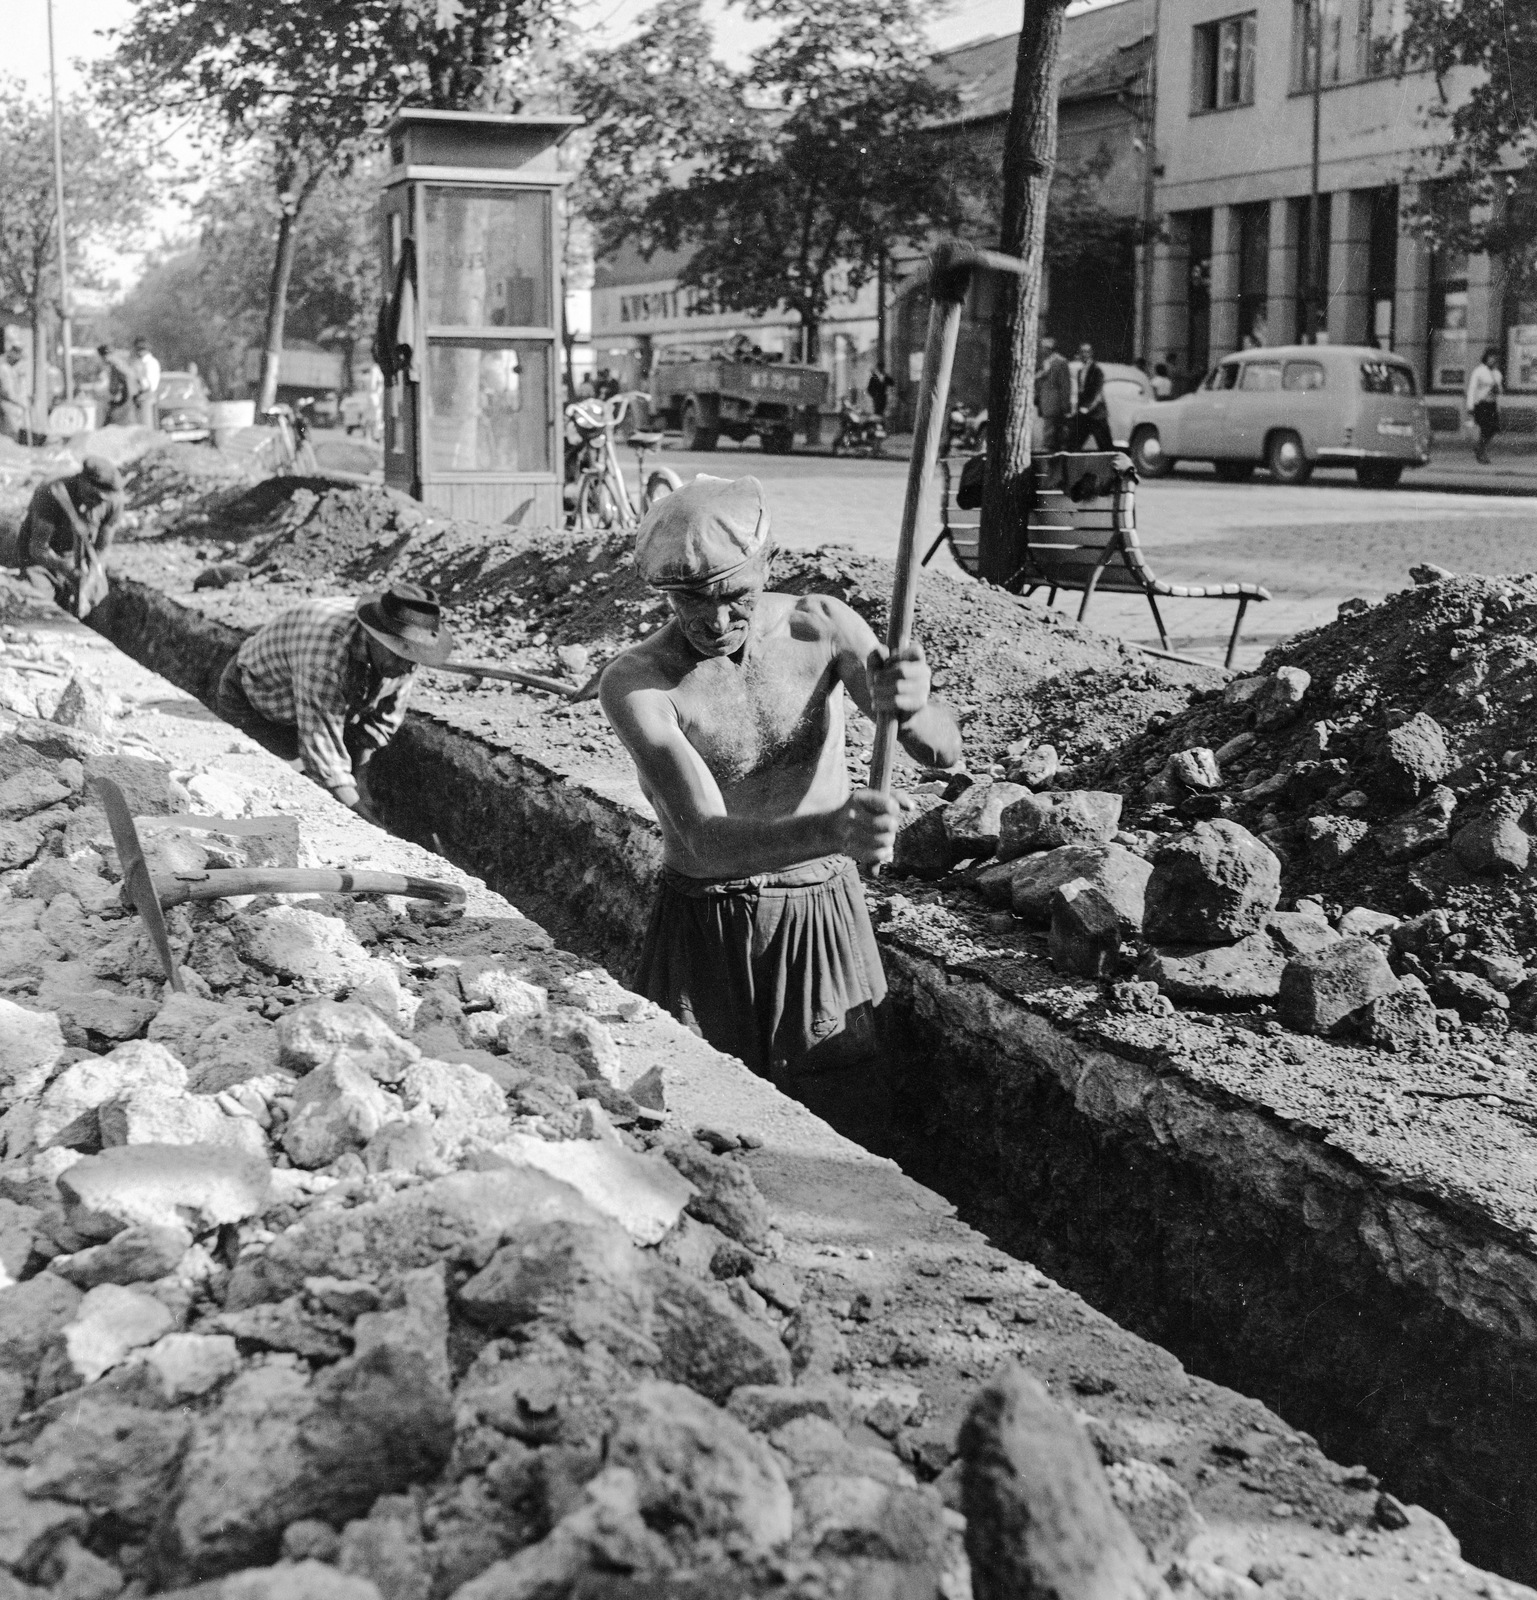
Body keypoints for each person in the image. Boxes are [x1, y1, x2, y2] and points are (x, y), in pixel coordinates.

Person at [600, 475, 960, 1086]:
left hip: (824, 907)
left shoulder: (822, 627)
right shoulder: (638, 683)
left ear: (769, 565)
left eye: (733, 595)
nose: (714, 621)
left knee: (841, 1100)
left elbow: (941, 750)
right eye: (689, 599)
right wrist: (837, 829)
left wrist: (915, 705)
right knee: (700, 1107)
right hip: (710, 922)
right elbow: (705, 841)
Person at [215, 582, 453, 817]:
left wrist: (360, 786)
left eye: (413, 659)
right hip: (255, 703)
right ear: (374, 637)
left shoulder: (403, 658)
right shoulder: (326, 653)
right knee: (288, 797)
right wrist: (359, 813)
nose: (407, 667)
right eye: (401, 655)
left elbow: (380, 722)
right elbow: (321, 747)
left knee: (340, 790)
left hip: (313, 709)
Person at [17, 456, 122, 616]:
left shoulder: (113, 502)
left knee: (98, 597)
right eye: (94, 496)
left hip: (79, 562)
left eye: (102, 499)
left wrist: (88, 583)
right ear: (82, 480)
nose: (97, 503)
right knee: (40, 603)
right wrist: (64, 567)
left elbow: (101, 550)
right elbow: (37, 548)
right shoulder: (52, 491)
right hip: (41, 560)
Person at [1034, 336, 1073, 453]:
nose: (1042, 350)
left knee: (1053, 435)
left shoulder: (1060, 362)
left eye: (1044, 348)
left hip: (1055, 405)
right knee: (1049, 433)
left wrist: (1065, 405)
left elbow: (1065, 386)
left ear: (1050, 349)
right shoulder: (1045, 362)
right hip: (1046, 404)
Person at [1073, 342, 1113, 451]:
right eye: (1081, 352)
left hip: (1096, 414)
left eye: (1086, 352)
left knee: (1105, 445)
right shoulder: (1080, 371)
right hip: (1083, 414)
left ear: (1091, 354)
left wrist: (1088, 408)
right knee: (1074, 443)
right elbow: (1081, 392)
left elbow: (1098, 393)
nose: (1083, 355)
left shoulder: (1097, 370)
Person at [1467, 346, 1502, 465]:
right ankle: (1481, 453)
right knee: (1484, 429)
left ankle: (1479, 448)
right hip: (1481, 404)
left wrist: (1497, 389)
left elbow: (1500, 389)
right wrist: (1470, 406)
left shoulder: (1497, 373)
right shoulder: (1479, 371)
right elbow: (1472, 389)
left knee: (1493, 429)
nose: (1493, 360)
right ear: (1486, 358)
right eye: (1491, 358)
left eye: (1495, 358)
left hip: (1492, 404)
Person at [97, 344, 134, 426]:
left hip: (123, 400)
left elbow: (125, 378)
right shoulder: (113, 364)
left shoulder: (117, 364)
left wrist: (119, 393)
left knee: (116, 426)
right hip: (118, 399)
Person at [129, 336, 160, 428]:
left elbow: (150, 385)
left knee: (147, 428)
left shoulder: (151, 363)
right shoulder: (137, 363)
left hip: (147, 399)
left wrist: (138, 378)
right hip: (137, 399)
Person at [0, 345, 28, 441]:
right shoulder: (3, 368)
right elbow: (6, 391)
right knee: (11, 432)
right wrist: (18, 402)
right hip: (7, 404)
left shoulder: (11, 368)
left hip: (13, 404)